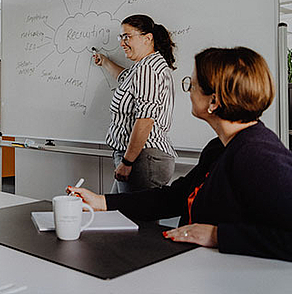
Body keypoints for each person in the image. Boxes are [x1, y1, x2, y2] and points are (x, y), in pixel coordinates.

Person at [69, 47, 292, 262]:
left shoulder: (258, 154)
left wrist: (217, 235)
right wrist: (101, 202)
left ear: (213, 101)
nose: (188, 90)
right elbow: (175, 197)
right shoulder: (219, 147)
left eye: (192, 84)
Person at [94, 14, 176, 193]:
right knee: (116, 214)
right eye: (121, 37)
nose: (122, 43)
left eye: (127, 37)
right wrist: (105, 62)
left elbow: (145, 120)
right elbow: (125, 79)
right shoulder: (144, 67)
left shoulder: (147, 69)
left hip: (141, 160)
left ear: (148, 38)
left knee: (132, 219)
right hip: (139, 158)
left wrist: (127, 162)